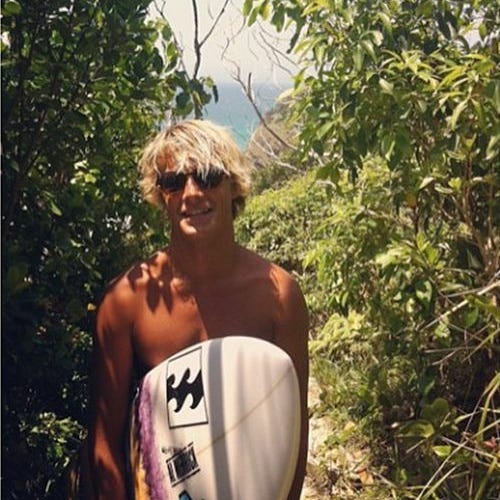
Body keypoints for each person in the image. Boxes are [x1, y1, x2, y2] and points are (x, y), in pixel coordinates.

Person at [87, 119, 309, 499]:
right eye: (173, 182)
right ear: (161, 195)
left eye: (207, 176)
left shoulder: (278, 296)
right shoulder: (127, 300)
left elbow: (294, 431)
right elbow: (104, 440)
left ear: (233, 185)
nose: (191, 193)